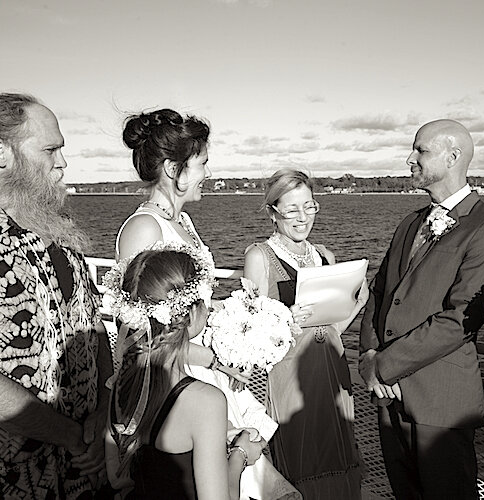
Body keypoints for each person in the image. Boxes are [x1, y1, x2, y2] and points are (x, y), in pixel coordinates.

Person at [0, 93, 112, 498]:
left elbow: (95, 331)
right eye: (51, 149)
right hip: (12, 482)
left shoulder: (61, 233)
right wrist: (73, 436)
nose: (63, 163)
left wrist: (102, 413)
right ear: (1, 153)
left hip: (88, 474)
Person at [113, 109, 289, 499]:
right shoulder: (144, 228)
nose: (209, 172)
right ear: (174, 168)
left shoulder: (183, 222)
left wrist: (239, 325)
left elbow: (188, 305)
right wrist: (213, 358)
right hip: (173, 374)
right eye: (203, 163)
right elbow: (143, 327)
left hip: (199, 362)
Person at [359, 119, 484, 499]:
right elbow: (381, 293)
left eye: (421, 151)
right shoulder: (410, 222)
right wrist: (367, 354)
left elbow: (463, 317)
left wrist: (385, 365)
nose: (410, 158)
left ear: (453, 156)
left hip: (440, 402)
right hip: (389, 397)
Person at [243, 169, 368, 499]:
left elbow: (332, 329)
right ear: (273, 212)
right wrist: (286, 320)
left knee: (336, 452)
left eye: (309, 206)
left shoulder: (325, 256)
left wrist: (357, 304)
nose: (302, 218)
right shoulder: (260, 257)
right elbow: (250, 335)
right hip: (290, 376)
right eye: (292, 209)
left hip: (331, 370)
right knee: (301, 456)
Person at [107, 244, 266, 499]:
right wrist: (241, 455)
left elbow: (117, 478)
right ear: (191, 314)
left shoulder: (123, 384)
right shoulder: (205, 400)